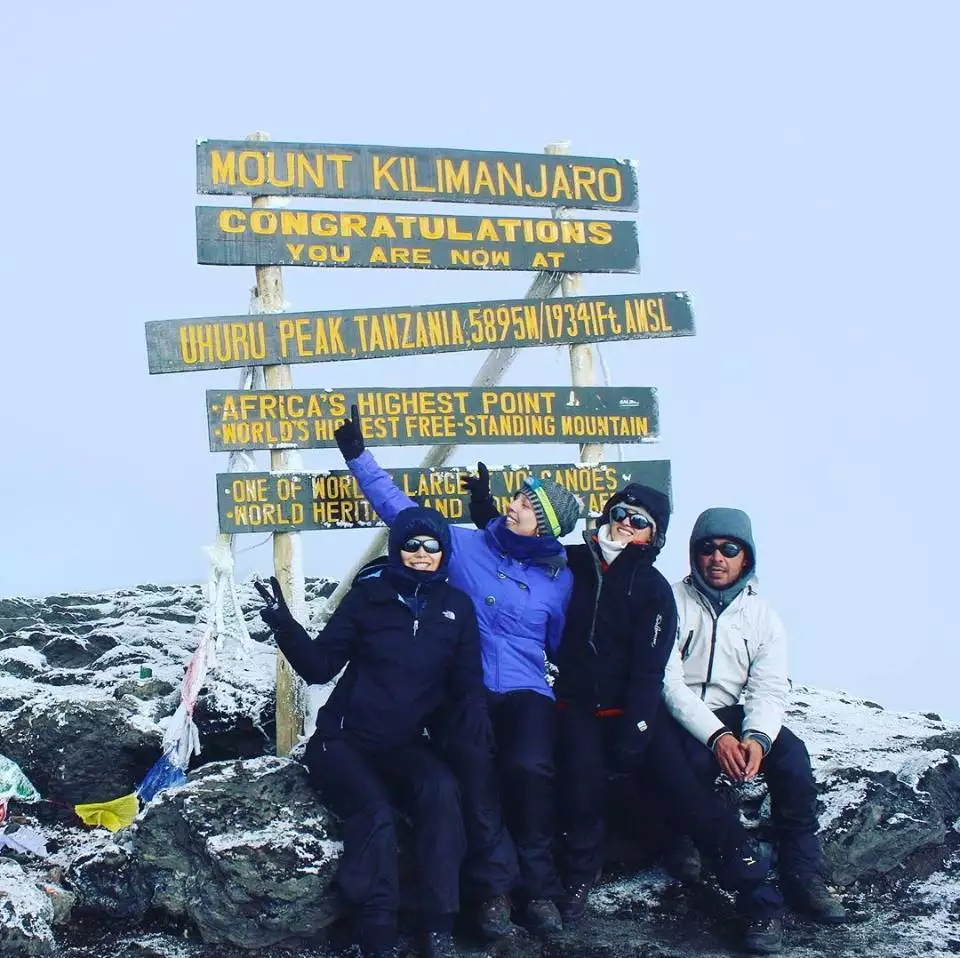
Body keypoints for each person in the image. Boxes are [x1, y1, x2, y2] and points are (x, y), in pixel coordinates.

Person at [334, 410, 579, 937]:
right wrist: (357, 456)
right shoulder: (465, 545)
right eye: (516, 498)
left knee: (531, 769)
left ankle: (539, 892)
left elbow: (560, 643)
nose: (515, 505)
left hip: (526, 690)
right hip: (463, 690)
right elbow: (399, 511)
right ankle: (493, 893)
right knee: (474, 773)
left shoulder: (558, 580)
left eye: (527, 505)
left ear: (547, 527)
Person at [258, 506, 483, 958]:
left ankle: (437, 925)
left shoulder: (455, 608)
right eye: (411, 545)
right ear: (397, 549)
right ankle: (375, 932)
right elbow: (320, 668)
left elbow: (466, 685)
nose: (421, 553)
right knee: (375, 813)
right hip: (343, 742)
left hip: (402, 745)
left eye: (432, 545)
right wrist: (285, 625)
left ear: (445, 551)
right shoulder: (368, 599)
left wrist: (474, 736)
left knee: (441, 791)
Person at [470, 480, 681, 922]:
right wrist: (485, 512)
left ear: (653, 535)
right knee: (576, 779)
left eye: (639, 520)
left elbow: (649, 671)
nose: (625, 523)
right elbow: (524, 547)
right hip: (577, 702)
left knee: (675, 781)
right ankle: (579, 873)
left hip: (627, 708)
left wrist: (637, 729)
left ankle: (697, 857)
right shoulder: (576, 559)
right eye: (620, 512)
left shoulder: (655, 589)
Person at [655, 507, 846, 955]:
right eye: (706, 548)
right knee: (689, 770)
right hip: (685, 715)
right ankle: (697, 848)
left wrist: (757, 738)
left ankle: (804, 870)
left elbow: (769, 686)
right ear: (693, 553)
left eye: (729, 548)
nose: (716, 557)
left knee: (793, 760)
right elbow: (668, 682)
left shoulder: (763, 618)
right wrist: (716, 737)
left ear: (747, 557)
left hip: (739, 713)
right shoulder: (670, 602)